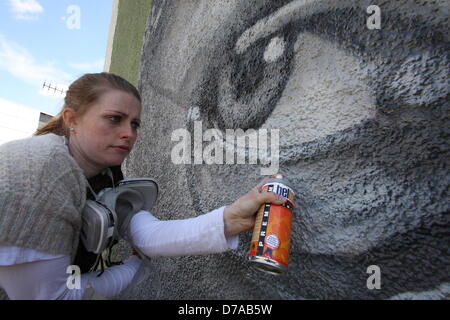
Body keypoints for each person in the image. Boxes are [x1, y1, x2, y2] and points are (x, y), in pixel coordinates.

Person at [0, 72, 290, 300]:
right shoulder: (38, 175)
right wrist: (134, 269)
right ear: (71, 119)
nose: (128, 134)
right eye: (114, 119)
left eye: (135, 124)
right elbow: (53, 297)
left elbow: (147, 234)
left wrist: (229, 218)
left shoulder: (103, 169)